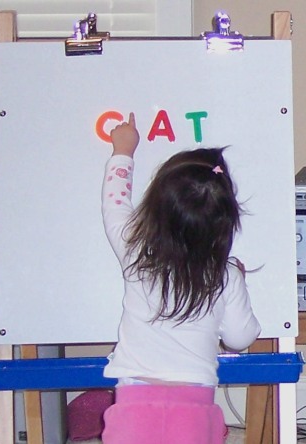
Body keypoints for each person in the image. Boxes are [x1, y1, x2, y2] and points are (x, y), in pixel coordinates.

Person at [101, 112, 261, 444]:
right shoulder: (224, 275)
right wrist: (240, 280)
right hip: (194, 408)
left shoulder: (135, 250)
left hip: (133, 404)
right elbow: (240, 337)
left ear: (156, 206)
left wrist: (123, 151)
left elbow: (114, 203)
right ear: (224, 221)